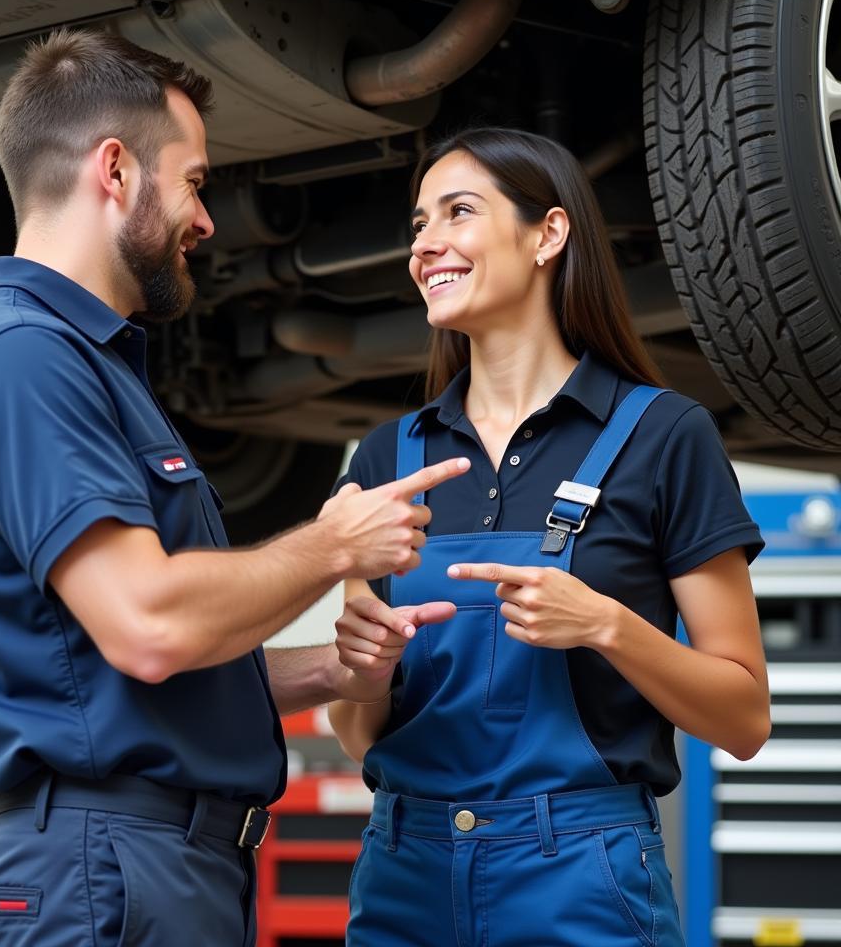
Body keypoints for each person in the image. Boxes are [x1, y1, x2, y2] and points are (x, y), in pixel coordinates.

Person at [0, 28, 470, 947]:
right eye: (196, 182)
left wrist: (332, 670)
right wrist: (333, 545)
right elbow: (151, 625)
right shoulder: (22, 360)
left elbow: (117, 678)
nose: (207, 221)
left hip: (140, 866)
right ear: (116, 171)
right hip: (104, 869)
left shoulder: (86, 366)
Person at [328, 127, 771, 946]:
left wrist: (606, 625)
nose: (427, 244)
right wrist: (364, 669)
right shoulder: (389, 455)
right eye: (418, 225)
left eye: (458, 213)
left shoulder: (665, 436)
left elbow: (743, 718)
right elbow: (360, 734)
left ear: (549, 234)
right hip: (404, 870)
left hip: (580, 874)